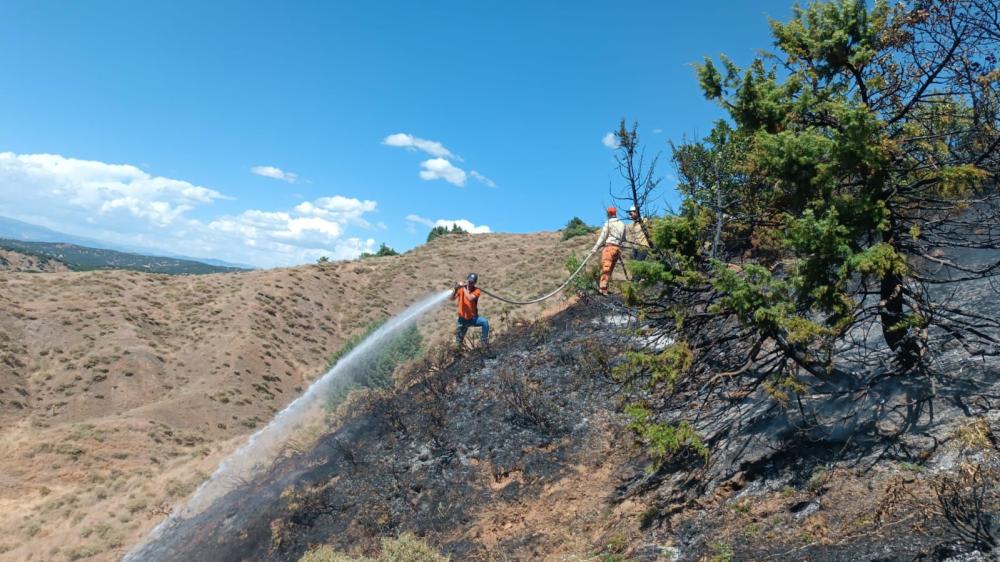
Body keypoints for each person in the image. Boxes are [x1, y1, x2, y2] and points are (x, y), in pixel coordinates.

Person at [592, 206, 626, 295]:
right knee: (610, 269)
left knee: (606, 268)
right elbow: (624, 239)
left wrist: (595, 248)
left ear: (608, 213)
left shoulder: (608, 223)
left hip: (609, 248)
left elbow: (602, 236)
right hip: (617, 249)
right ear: (615, 213)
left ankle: (603, 289)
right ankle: (604, 288)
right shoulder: (622, 224)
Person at [451, 272, 490, 349]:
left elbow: (470, 298)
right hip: (462, 320)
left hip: (473, 319)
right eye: (469, 281)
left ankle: (484, 342)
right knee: (458, 343)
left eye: (472, 282)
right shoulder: (461, 289)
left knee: (485, 322)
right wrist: (455, 289)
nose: (470, 283)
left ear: (475, 282)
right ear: (467, 280)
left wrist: (463, 288)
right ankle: (457, 356)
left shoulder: (477, 291)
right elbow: (452, 299)